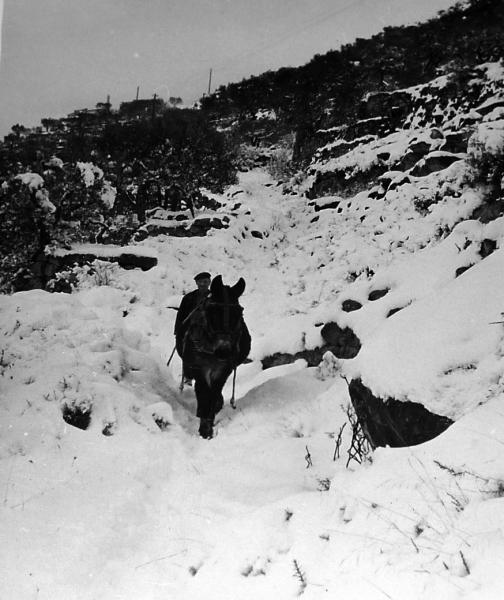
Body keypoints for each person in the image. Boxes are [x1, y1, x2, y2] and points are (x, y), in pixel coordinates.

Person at [174, 272, 211, 384]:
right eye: (200, 282)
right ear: (196, 283)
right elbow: (181, 315)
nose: (203, 284)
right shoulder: (189, 298)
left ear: (209, 282)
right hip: (191, 330)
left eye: (205, 281)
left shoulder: (215, 297)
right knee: (187, 353)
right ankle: (188, 378)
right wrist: (178, 330)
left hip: (209, 331)